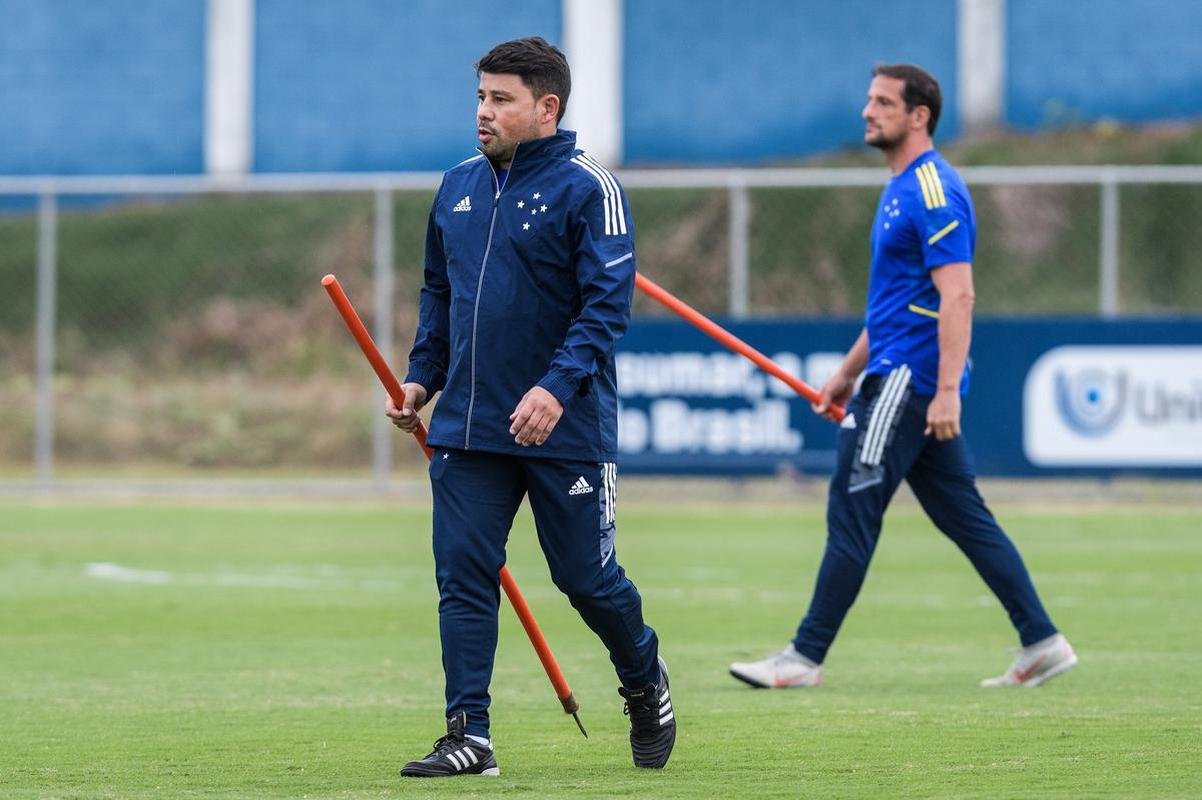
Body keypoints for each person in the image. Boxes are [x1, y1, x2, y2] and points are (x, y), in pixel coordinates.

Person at [729, 64, 1077, 691]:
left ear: (919, 115)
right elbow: (895, 306)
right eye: (868, 100)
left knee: (852, 509)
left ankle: (803, 658)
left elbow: (959, 296)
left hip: (906, 383)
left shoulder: (932, 190)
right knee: (967, 518)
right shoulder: (899, 187)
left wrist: (945, 391)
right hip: (891, 370)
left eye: (884, 102)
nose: (869, 111)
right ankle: (1043, 642)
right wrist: (844, 372)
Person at [387, 37, 674, 777]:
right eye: (480, 96)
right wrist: (422, 378)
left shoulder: (589, 188)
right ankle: (469, 736)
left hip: (565, 423)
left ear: (546, 107)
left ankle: (644, 677)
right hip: (468, 429)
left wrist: (555, 387)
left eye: (501, 98)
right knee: (462, 574)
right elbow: (440, 295)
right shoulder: (454, 187)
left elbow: (606, 308)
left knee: (586, 580)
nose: (483, 112)